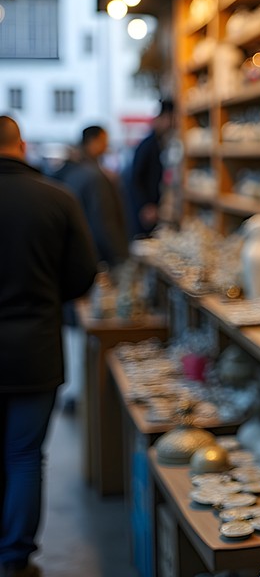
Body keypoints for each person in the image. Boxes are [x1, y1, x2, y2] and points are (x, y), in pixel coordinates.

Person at [0, 116, 97, 577]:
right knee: (23, 455)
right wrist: (45, 293)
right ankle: (15, 557)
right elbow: (82, 274)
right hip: (34, 344)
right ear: (20, 144)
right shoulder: (57, 199)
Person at [57, 125, 129, 269]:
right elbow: (103, 220)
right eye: (103, 141)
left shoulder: (70, 170)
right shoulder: (94, 176)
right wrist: (119, 255)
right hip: (95, 254)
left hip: (76, 250)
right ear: (93, 141)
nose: (106, 146)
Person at [125, 99, 174, 238]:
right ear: (162, 117)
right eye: (170, 119)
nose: (171, 125)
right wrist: (146, 205)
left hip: (150, 207)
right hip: (145, 209)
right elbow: (136, 178)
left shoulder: (158, 142)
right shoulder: (148, 145)